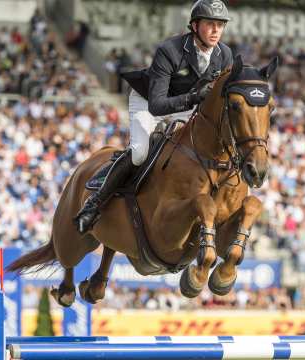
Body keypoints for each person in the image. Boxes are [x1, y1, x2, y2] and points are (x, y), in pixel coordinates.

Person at [75, 0, 233, 233]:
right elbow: (158, 105)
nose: (216, 30)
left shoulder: (224, 54)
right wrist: (193, 99)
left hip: (188, 105)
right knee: (140, 152)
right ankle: (94, 203)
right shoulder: (170, 50)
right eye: (210, 24)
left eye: (220, 25)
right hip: (148, 102)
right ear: (195, 25)